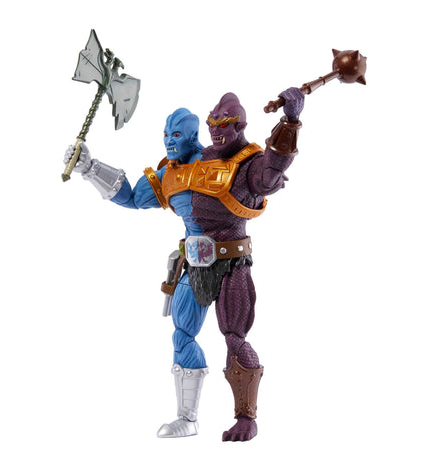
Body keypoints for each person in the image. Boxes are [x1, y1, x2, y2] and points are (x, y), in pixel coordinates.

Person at [64, 88, 304, 441]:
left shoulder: (241, 165)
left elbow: (270, 172)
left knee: (235, 337)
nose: (169, 141)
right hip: (193, 266)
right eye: (165, 135)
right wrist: (89, 167)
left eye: (176, 135)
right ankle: (187, 419)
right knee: (182, 334)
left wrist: (291, 121)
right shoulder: (172, 173)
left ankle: (246, 418)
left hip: (232, 265)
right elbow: (131, 197)